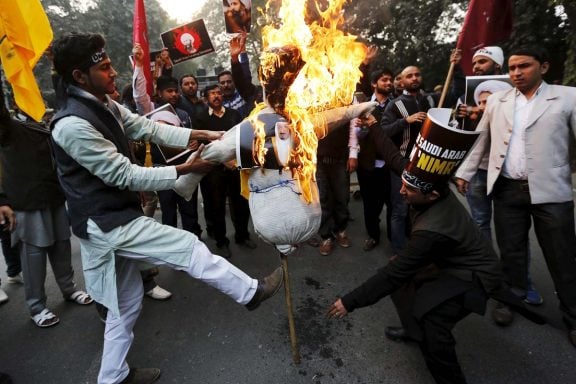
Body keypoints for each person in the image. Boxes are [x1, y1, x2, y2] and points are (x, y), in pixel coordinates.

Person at [50, 32, 283, 383]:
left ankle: (113, 376)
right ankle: (250, 293)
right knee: (187, 246)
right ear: (80, 77)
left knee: (125, 305)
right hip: (106, 222)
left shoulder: (104, 103)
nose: (114, 73)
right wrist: (186, 170)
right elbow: (123, 174)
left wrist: (198, 135)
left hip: (114, 216)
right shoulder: (71, 125)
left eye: (112, 65)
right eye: (105, 67)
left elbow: (144, 127)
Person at [328, 110, 546, 384]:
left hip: (473, 275)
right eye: (403, 184)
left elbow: (392, 275)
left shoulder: (432, 230)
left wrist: (350, 301)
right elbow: (394, 157)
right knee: (404, 284)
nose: (401, 191)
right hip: (447, 258)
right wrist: (373, 126)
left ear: (431, 195)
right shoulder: (423, 184)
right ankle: (411, 329)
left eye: (408, 190)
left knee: (434, 323)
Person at [454, 45, 576, 346]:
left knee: (562, 257)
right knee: (511, 252)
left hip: (551, 192)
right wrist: (464, 172)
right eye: (512, 68)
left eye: (524, 66)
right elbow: (482, 138)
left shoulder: (568, 97)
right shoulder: (498, 100)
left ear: (543, 67)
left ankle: (572, 316)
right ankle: (512, 298)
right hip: (507, 189)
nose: (517, 73)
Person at [0, 94, 93, 328]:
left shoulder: (50, 124)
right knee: (33, 256)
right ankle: (37, 306)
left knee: (62, 246)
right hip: (27, 202)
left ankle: (69, 289)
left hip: (55, 197)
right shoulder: (9, 128)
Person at [381, 65, 438, 253]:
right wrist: (406, 121)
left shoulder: (430, 99)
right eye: (409, 76)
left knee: (424, 210)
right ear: (402, 81)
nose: (414, 78)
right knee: (400, 210)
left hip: (428, 164)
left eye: (417, 75)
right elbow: (384, 131)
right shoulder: (395, 104)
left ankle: (419, 249)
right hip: (403, 164)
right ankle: (399, 251)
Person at [195, 84, 257, 258]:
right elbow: (202, 145)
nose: (216, 96)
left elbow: (241, 138)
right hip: (213, 171)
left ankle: (242, 235)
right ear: (206, 98)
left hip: (235, 168)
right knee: (217, 206)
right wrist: (223, 160)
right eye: (212, 93)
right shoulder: (200, 119)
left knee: (240, 203)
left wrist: (234, 161)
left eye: (218, 93)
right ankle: (221, 242)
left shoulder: (234, 115)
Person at [355, 68, 395, 252]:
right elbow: (355, 134)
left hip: (391, 164)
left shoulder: (396, 105)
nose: (388, 83)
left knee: (393, 203)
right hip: (368, 164)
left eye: (390, 80)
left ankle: (396, 237)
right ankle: (373, 235)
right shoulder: (362, 106)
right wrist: (361, 128)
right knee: (370, 204)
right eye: (384, 80)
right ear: (374, 84)